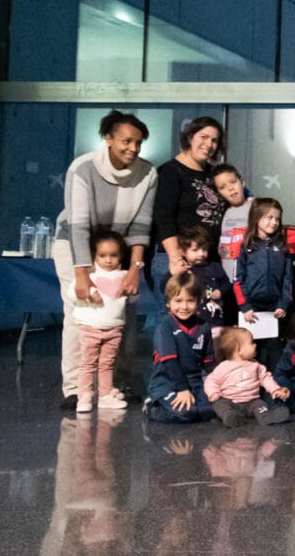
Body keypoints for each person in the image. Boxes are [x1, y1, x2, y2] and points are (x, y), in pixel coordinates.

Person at [53, 109, 157, 410]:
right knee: (80, 312)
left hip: (119, 249)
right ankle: (75, 389)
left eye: (138, 143)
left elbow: (141, 225)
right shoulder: (82, 168)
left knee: (122, 312)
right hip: (75, 244)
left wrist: (135, 268)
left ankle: (118, 384)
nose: (133, 149)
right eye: (126, 141)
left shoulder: (147, 173)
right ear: (108, 138)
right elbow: (79, 226)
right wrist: (83, 274)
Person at [151, 116, 227, 299]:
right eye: (203, 137)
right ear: (190, 137)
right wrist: (176, 258)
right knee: (174, 319)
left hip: (206, 260)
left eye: (214, 140)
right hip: (178, 260)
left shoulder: (213, 173)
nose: (209, 144)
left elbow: (236, 194)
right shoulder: (170, 172)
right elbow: (163, 217)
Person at [65, 229, 130, 412]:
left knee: (107, 364)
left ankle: (105, 395)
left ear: (120, 256)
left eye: (113, 255)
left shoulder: (124, 276)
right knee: (88, 363)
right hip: (90, 328)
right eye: (102, 255)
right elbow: (73, 292)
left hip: (114, 329)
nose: (108, 260)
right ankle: (84, 397)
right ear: (95, 255)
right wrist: (91, 292)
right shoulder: (89, 276)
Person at [145, 272, 214, 423]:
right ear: (168, 303)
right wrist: (183, 390)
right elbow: (170, 363)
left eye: (190, 300)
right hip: (168, 382)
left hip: (195, 381)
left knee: (214, 409)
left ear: (198, 301)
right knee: (185, 413)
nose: (184, 306)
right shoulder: (165, 326)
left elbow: (208, 362)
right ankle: (153, 407)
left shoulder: (204, 326)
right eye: (178, 301)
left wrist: (215, 386)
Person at [233, 197, 292, 368]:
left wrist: (284, 303)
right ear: (256, 217)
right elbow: (238, 278)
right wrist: (244, 306)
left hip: (274, 310)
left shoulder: (282, 247)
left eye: (277, 218)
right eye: (268, 217)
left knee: (274, 354)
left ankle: (273, 390)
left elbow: (288, 280)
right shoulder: (246, 246)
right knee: (251, 354)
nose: (273, 222)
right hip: (251, 310)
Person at [203, 327, 292, 426]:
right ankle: (229, 416)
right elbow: (211, 380)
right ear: (239, 350)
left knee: (261, 405)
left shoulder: (255, 365)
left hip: (252, 402)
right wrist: (214, 393)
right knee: (219, 404)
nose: (255, 345)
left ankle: (265, 417)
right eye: (251, 342)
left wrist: (275, 389)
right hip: (230, 401)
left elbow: (266, 378)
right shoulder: (223, 367)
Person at [171, 224, 233, 337]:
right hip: (189, 323)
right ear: (182, 252)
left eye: (204, 249)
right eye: (195, 250)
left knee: (215, 351)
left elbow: (227, 284)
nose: (201, 253)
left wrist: (220, 291)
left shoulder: (215, 267)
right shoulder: (183, 270)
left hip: (215, 322)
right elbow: (165, 288)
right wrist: (174, 274)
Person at [212, 163, 251, 275]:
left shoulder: (256, 209)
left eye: (233, 182)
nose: (230, 188)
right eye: (222, 187)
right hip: (229, 278)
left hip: (250, 278)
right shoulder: (222, 213)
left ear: (242, 182)